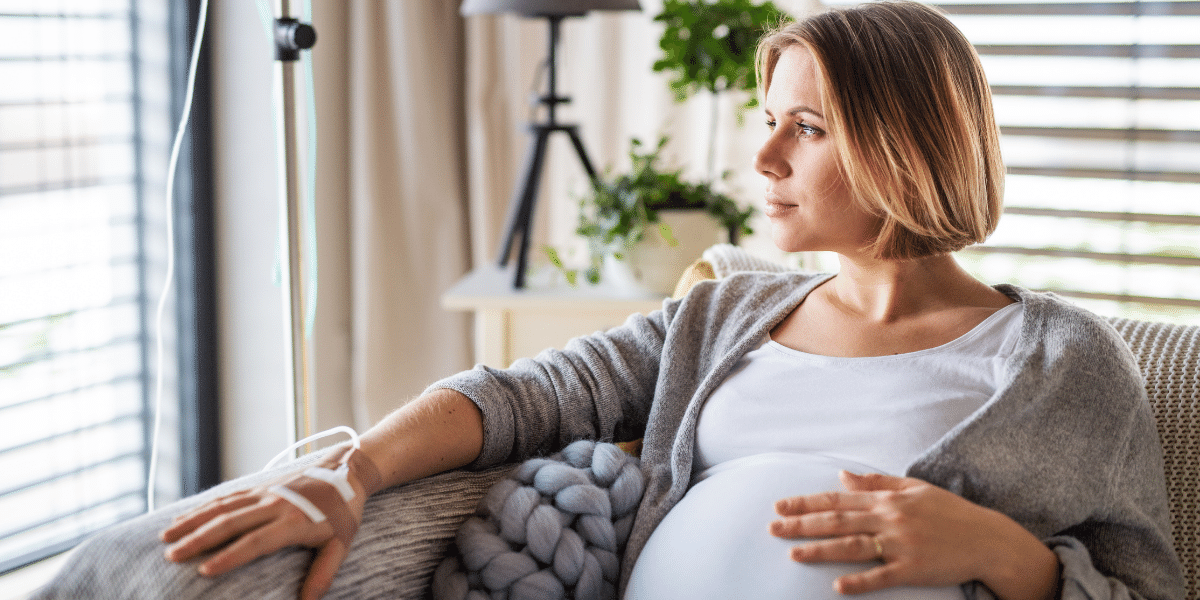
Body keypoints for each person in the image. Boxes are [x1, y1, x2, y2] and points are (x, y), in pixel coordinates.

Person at [160, 2, 1184, 599]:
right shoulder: (720, 315)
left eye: (809, 130)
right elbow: (522, 394)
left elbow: (1149, 588)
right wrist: (355, 469)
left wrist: (1014, 561)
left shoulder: (1064, 363)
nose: (765, 156)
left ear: (908, 145)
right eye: (769, 119)